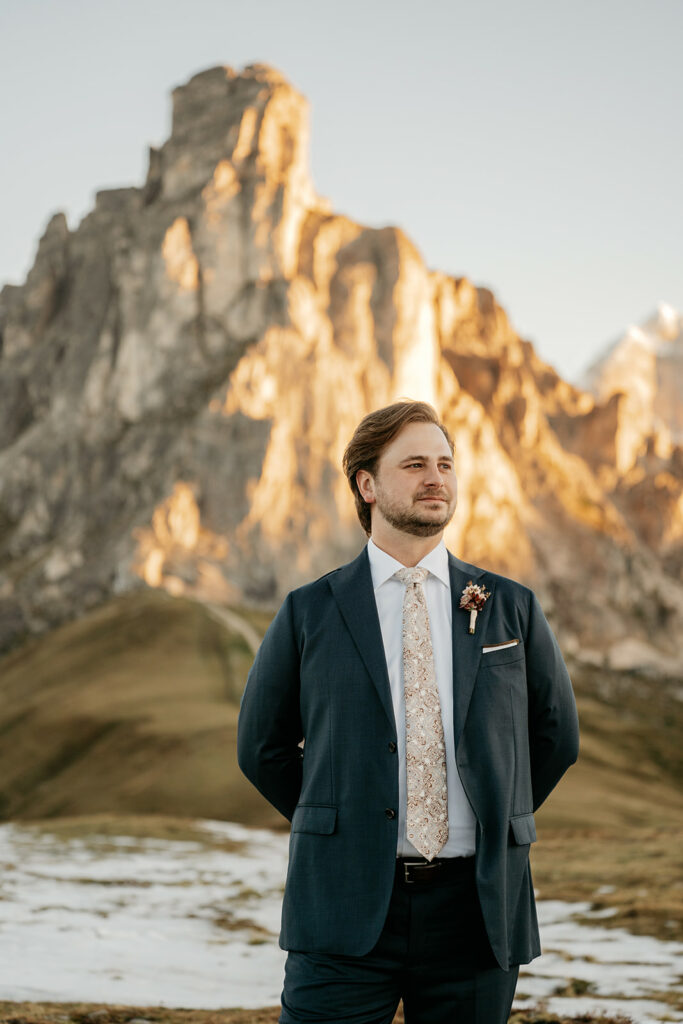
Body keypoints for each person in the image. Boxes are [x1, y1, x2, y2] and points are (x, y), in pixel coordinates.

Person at [238, 399, 579, 1024]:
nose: (436, 479)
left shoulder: (510, 607)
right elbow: (261, 747)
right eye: (415, 464)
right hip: (341, 907)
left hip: (477, 914)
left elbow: (557, 736)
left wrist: (499, 814)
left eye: (446, 465)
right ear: (367, 485)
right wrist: (344, 828)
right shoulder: (309, 610)